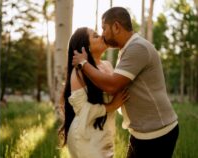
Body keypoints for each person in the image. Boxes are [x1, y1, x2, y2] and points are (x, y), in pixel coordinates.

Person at [72, 7, 178, 158]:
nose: (102, 34)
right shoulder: (127, 49)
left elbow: (112, 85)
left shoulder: (137, 48)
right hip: (141, 133)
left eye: (104, 28)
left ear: (116, 27)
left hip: (157, 133)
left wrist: (84, 64)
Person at [58, 27, 129, 158]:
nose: (102, 36)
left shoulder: (107, 65)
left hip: (105, 132)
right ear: (85, 47)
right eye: (95, 36)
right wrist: (112, 106)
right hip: (86, 136)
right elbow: (82, 109)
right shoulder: (78, 72)